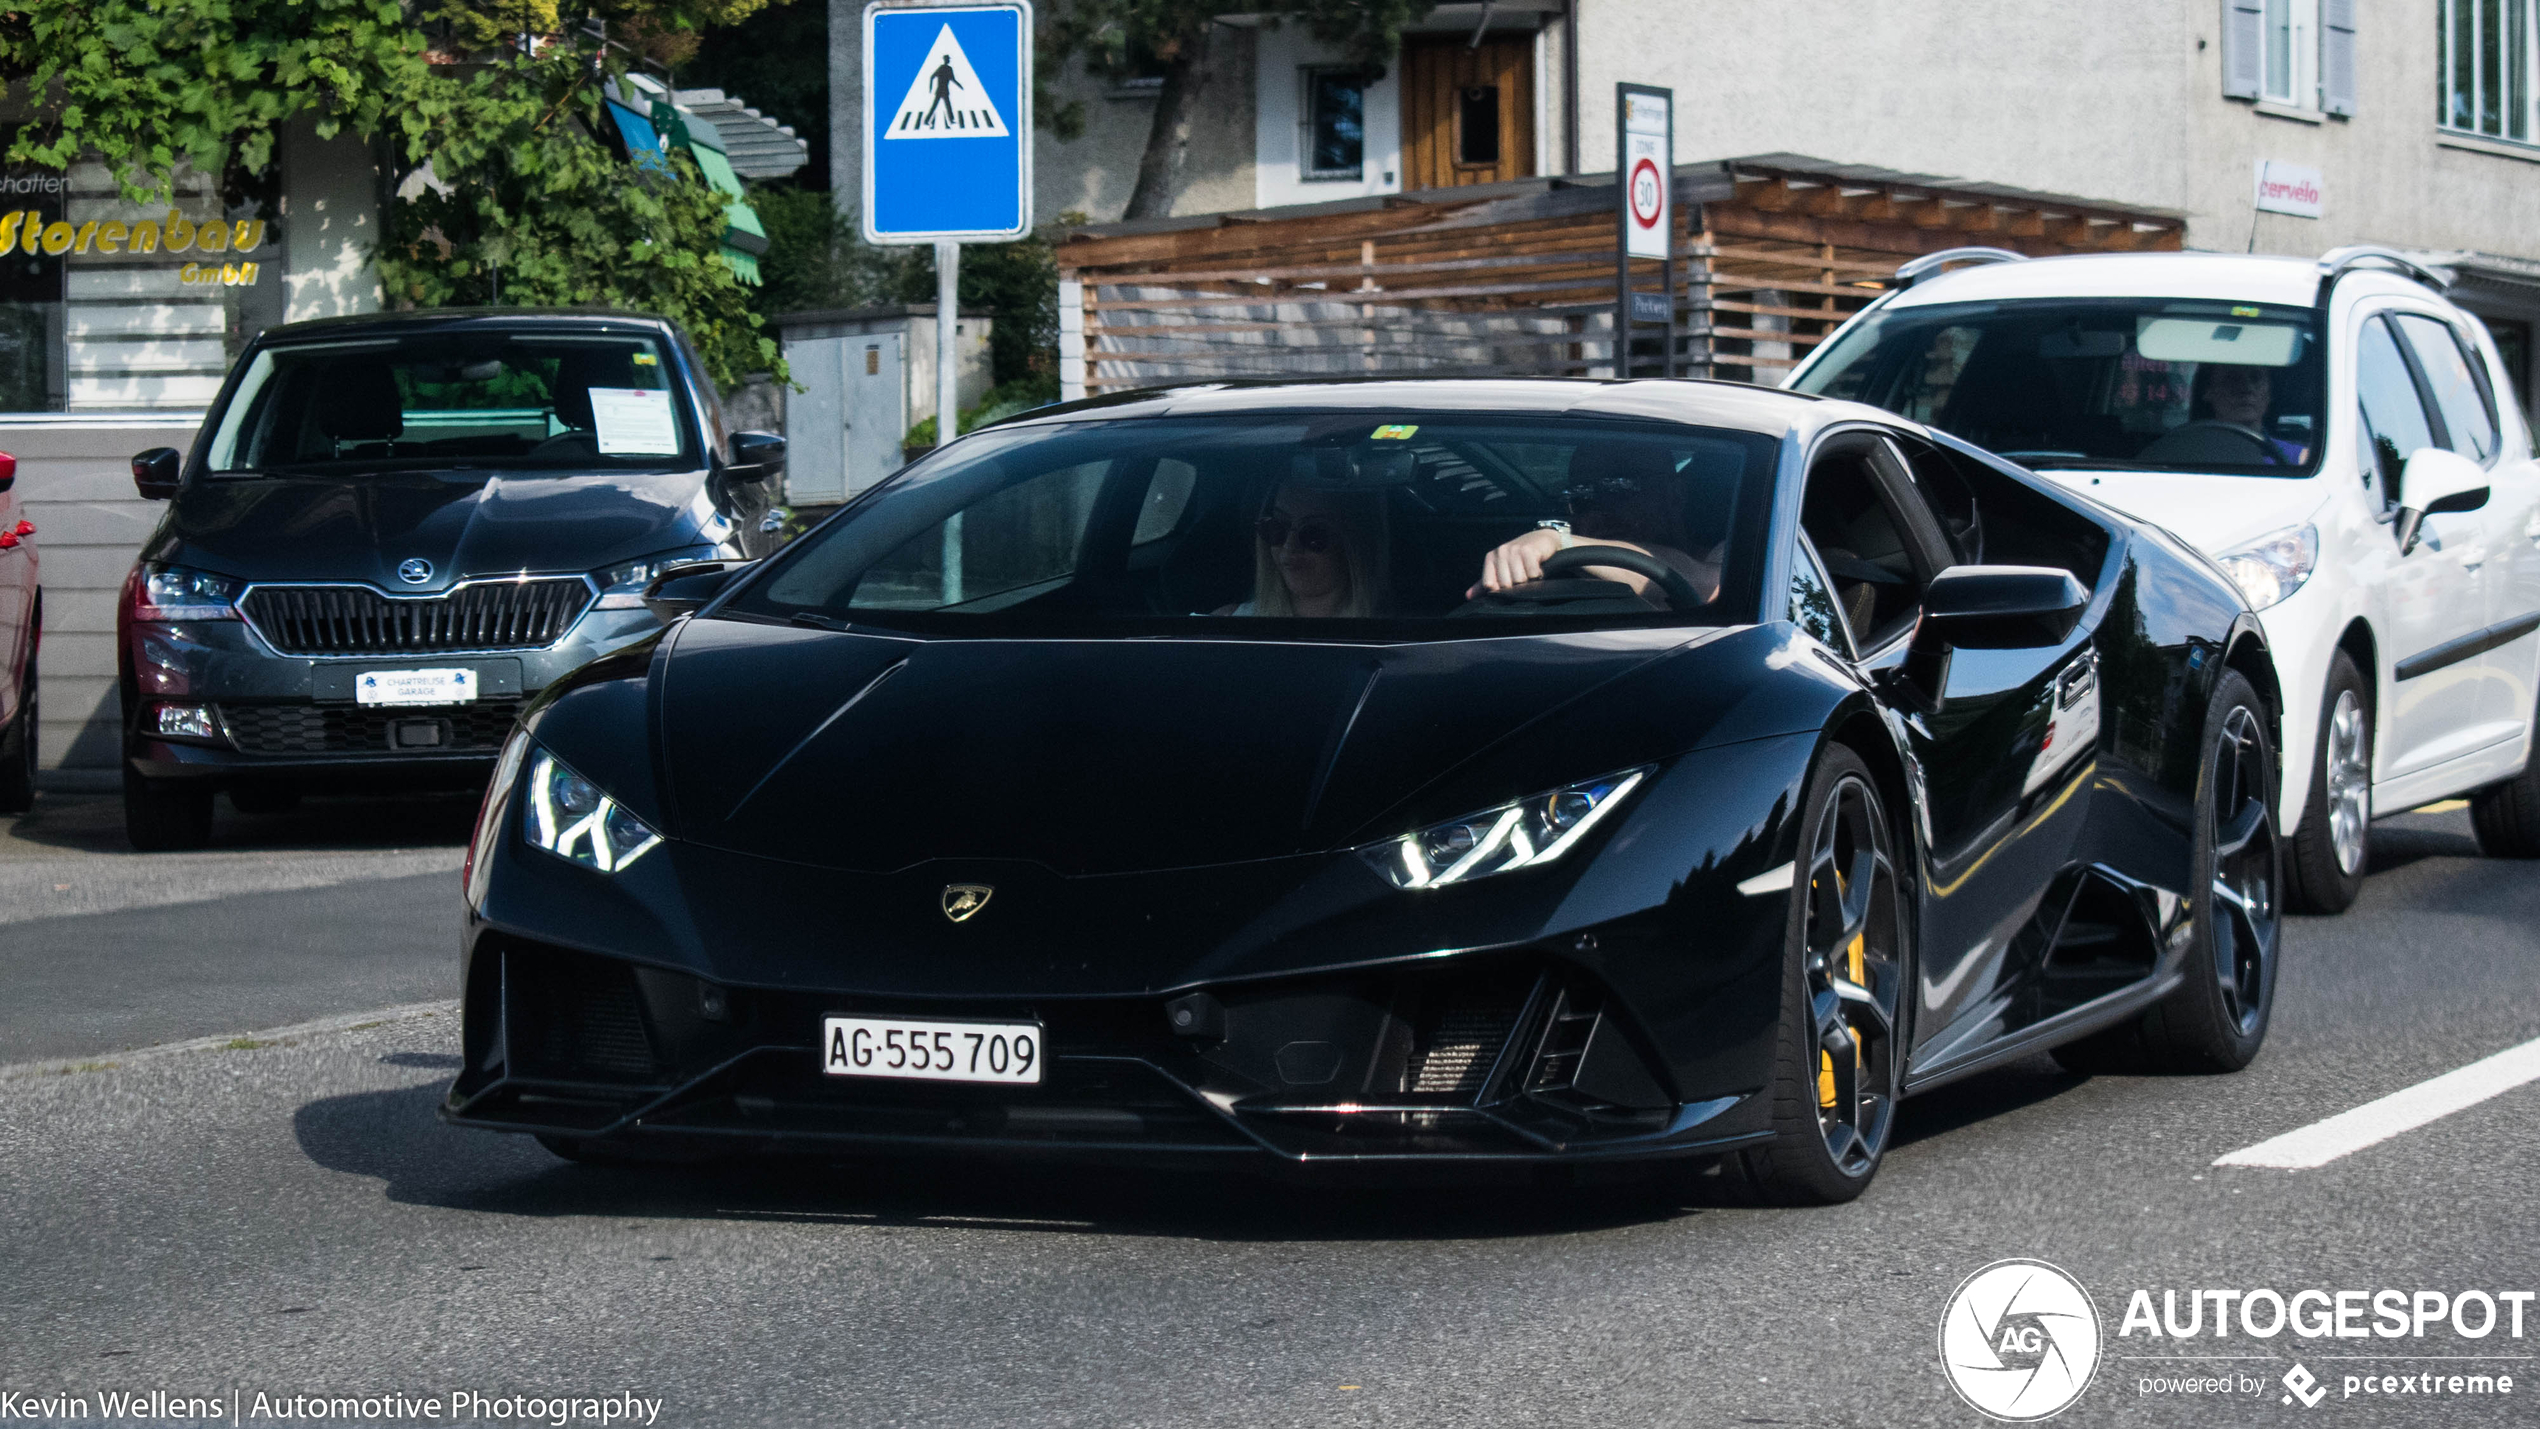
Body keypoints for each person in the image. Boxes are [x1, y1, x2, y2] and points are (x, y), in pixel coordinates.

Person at [1467, 441, 1720, 604]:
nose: (1601, 508)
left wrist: (1559, 540)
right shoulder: (1547, 580)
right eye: (1583, 494)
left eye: (1620, 487)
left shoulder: (1731, 553)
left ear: (1674, 495)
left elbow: (1707, 585)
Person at [1218, 484, 1389, 617]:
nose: (1288, 548)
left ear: (1354, 543)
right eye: (1276, 528)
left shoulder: (1399, 638)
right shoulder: (1224, 629)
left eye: (1313, 534)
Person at [2190, 363, 2308, 464]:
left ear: (2269, 393)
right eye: (2232, 379)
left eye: (2256, 378)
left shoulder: (2301, 460)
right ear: (2208, 392)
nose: (2247, 388)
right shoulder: (2185, 452)